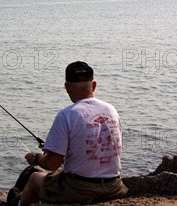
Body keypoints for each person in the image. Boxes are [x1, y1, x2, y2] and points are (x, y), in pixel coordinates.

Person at [18, 61, 128, 205]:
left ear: (67, 87)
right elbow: (100, 148)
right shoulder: (111, 110)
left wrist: (35, 158)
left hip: (80, 190)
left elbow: (52, 164)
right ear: (93, 85)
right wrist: (62, 148)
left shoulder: (67, 115)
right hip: (114, 186)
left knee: (34, 178)